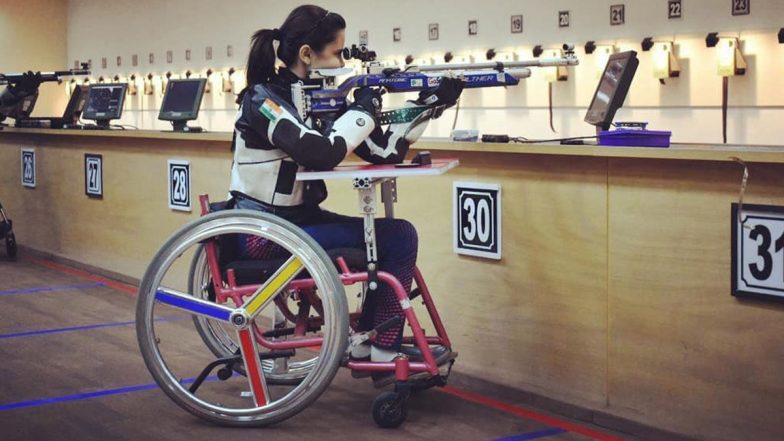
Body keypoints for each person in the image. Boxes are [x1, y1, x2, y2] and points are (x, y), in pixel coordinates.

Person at [229, 5, 463, 371]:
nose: (344, 59)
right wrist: (363, 111)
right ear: (307, 54)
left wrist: (429, 105)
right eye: (338, 52)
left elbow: (385, 152)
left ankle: (374, 343)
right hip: (264, 232)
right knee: (398, 237)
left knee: (394, 236)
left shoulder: (319, 99)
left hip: (294, 224)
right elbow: (318, 152)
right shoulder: (263, 100)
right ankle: (381, 347)